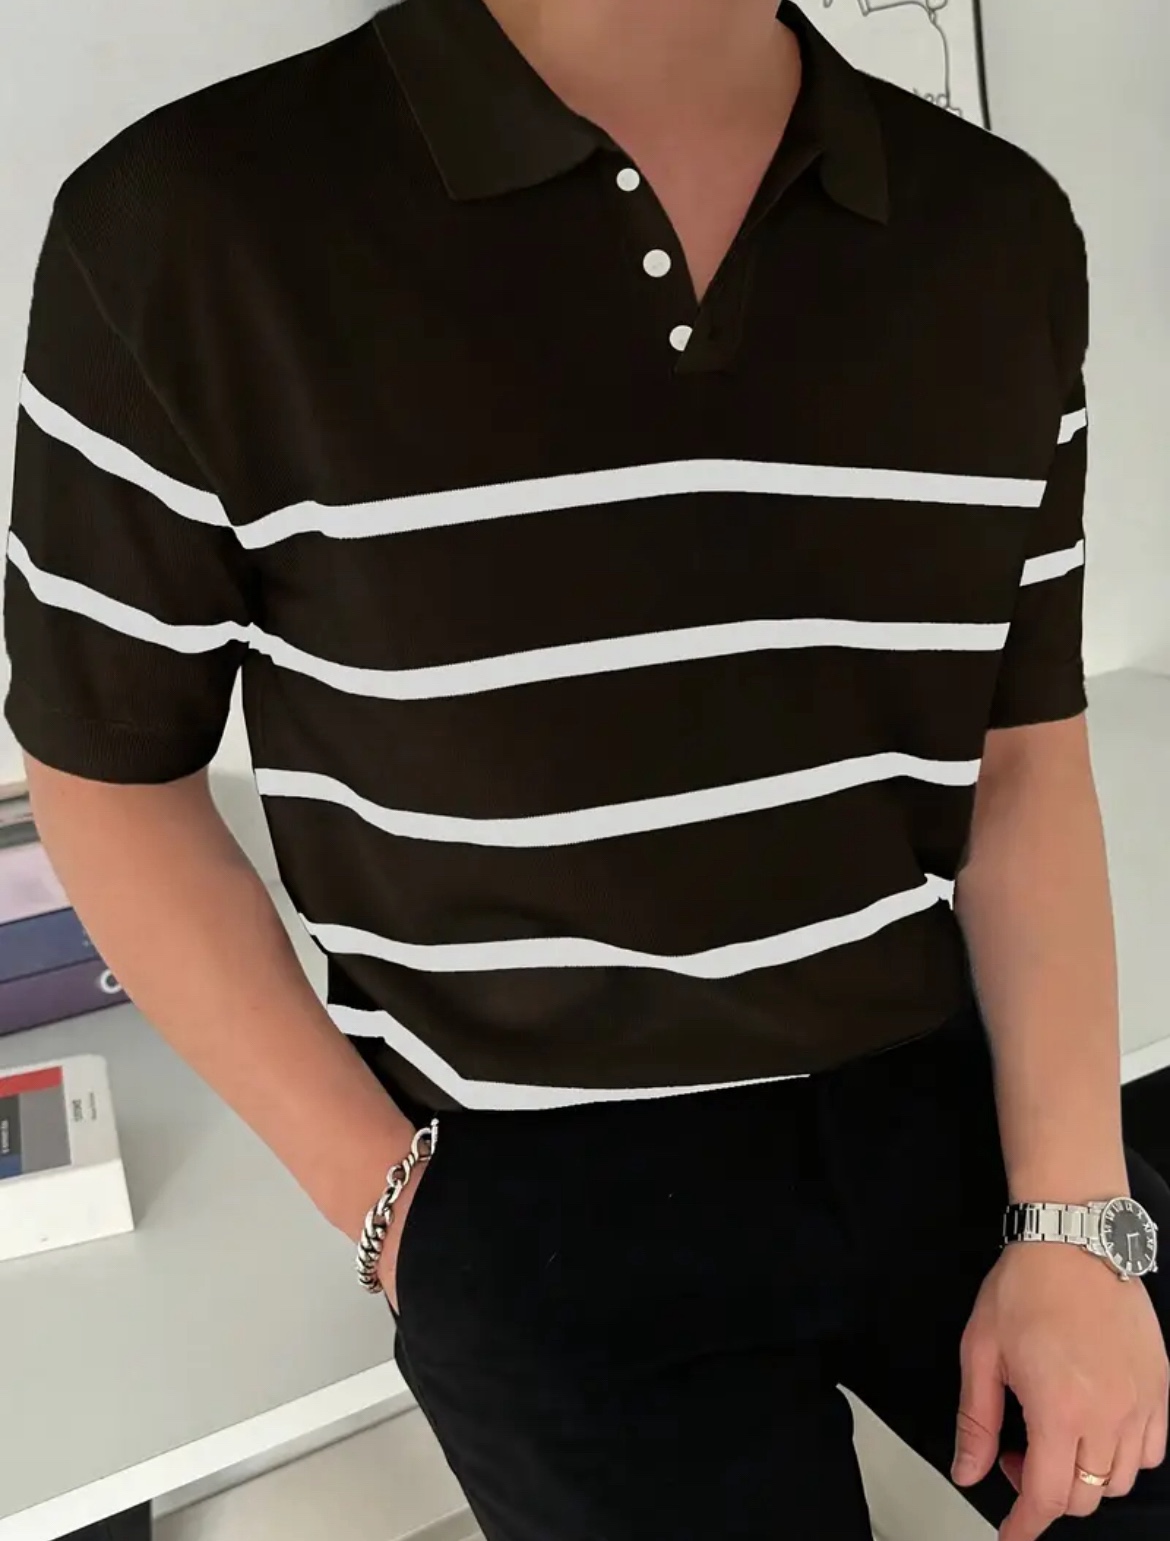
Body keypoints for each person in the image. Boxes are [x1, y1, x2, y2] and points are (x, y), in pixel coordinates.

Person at [5, 1, 1169, 1537]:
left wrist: (1078, 1217)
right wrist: (394, 1210)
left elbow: (1019, 755)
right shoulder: (186, 226)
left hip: (939, 1091)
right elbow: (109, 768)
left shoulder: (993, 228)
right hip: (529, 1180)